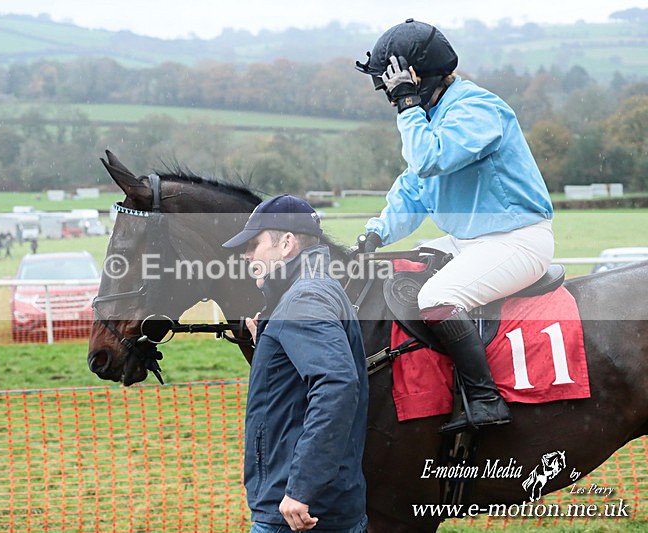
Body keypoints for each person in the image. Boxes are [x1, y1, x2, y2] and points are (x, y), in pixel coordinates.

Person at [354, 19, 554, 433]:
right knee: (401, 268)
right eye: (390, 93)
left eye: (395, 90)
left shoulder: (478, 109)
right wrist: (375, 233)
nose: (392, 101)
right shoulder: (431, 115)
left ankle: (484, 399)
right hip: (470, 242)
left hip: (517, 241)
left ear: (419, 79)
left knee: (436, 297)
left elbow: (430, 159)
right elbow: (413, 188)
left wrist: (408, 106)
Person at [222, 195, 369, 533]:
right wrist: (272, 343)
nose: (246, 256)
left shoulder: (304, 298)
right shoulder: (313, 291)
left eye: (253, 244)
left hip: (299, 514)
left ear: (286, 243)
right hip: (323, 505)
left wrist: (301, 488)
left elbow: (337, 386)